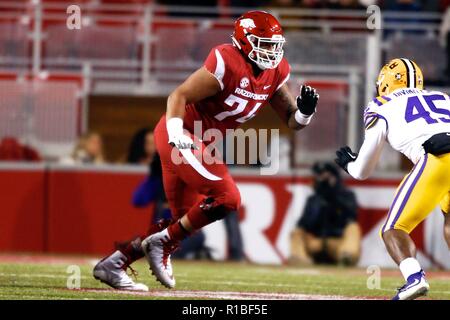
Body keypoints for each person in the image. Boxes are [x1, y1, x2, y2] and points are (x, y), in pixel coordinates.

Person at [93, 10, 319, 291]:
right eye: (264, 43)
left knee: (181, 221)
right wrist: (177, 135)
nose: (271, 51)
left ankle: (114, 264)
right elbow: (179, 95)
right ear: (245, 40)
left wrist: (305, 114)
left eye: (274, 44)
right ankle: (162, 244)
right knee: (228, 198)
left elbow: (291, 120)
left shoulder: (276, 72)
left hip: (201, 142)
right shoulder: (228, 61)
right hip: (181, 135)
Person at [335, 58, 450, 300]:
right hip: (441, 148)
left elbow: (362, 171)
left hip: (437, 158)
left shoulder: (380, 104)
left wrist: (348, 163)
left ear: (385, 82)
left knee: (393, 229)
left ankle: (414, 278)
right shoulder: (442, 97)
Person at [290, 162, 361, 266]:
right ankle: (299, 259)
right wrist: (321, 199)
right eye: (319, 177)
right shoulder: (313, 199)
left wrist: (333, 194)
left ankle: (347, 257)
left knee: (353, 227)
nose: (321, 180)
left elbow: (351, 217)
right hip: (316, 243)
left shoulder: (347, 196)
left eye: (326, 177)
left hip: (337, 243)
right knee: (297, 232)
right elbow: (303, 224)